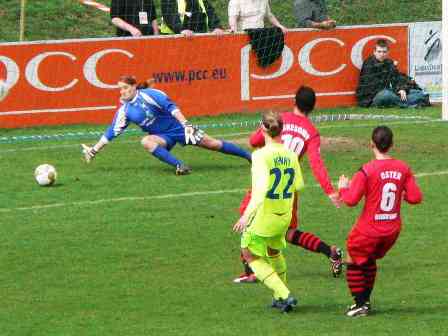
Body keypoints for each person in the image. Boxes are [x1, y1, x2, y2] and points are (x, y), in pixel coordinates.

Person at [234, 86, 343, 284]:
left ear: (294, 101)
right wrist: (330, 192)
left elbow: (253, 140)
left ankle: (251, 270)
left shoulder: (280, 119)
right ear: (312, 108)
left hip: (267, 179)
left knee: (247, 216)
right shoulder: (311, 132)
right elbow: (316, 164)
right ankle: (331, 251)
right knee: (287, 231)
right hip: (288, 187)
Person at [81, 75, 251, 174]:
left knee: (213, 144)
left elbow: (172, 108)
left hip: (179, 129)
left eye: (125, 87)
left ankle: (250, 157)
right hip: (163, 137)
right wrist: (94, 150)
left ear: (134, 87)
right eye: (120, 89)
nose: (122, 91)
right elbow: (111, 132)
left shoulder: (150, 94)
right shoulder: (124, 111)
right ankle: (180, 166)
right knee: (146, 141)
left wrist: (186, 125)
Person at [338, 126, 422, 317]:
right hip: (391, 231)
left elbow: (351, 200)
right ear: (392, 145)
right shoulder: (403, 168)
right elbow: (416, 197)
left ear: (371, 144)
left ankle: (360, 305)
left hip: (369, 230)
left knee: (353, 258)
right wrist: (402, 194)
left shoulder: (366, 170)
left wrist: (343, 188)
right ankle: (365, 302)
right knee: (368, 260)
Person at [233, 110, 304, 313]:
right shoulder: (291, 154)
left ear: (262, 128)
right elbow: (298, 185)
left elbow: (260, 189)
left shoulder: (259, 156)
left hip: (266, 215)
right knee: (273, 251)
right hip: (284, 214)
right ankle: (278, 297)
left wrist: (246, 216)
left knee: (249, 253)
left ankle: (284, 294)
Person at [356, 39, 430, 108]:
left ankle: (418, 98)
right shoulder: (368, 63)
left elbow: (396, 78)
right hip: (371, 98)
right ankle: (415, 102)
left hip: (388, 91)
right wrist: (395, 90)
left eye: (384, 52)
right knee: (386, 95)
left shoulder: (389, 62)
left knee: (414, 91)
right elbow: (375, 86)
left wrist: (401, 89)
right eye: (379, 51)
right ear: (374, 52)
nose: (382, 54)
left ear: (388, 52)